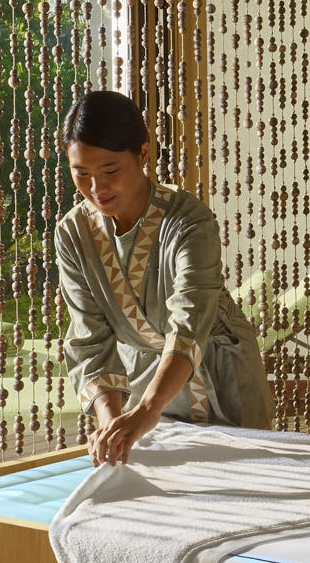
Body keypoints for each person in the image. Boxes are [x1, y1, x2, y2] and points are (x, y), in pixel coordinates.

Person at [54, 87, 269, 463]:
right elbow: (90, 340)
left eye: (110, 171)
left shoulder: (190, 221)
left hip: (219, 374)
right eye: (81, 173)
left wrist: (147, 411)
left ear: (143, 153)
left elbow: (189, 323)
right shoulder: (73, 234)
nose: (96, 188)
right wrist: (112, 423)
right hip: (145, 380)